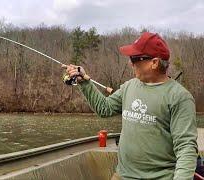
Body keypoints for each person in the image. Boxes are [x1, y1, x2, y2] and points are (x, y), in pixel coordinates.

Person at [64, 32, 198, 179]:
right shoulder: (129, 86)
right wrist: (84, 81)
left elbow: (186, 148)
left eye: (134, 58)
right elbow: (105, 108)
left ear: (154, 62)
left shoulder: (180, 97)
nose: (130, 63)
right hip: (122, 176)